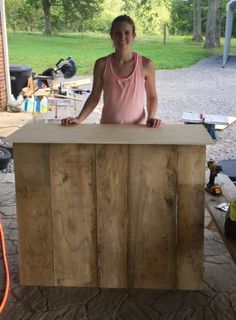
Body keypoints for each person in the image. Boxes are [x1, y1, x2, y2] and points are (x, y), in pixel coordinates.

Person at [61, 15, 161, 128]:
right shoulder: (102, 64)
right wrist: (79, 119)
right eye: (117, 33)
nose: (122, 37)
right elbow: (94, 97)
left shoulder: (146, 65)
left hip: (137, 129)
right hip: (107, 129)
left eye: (127, 33)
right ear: (112, 36)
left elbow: (152, 96)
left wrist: (151, 117)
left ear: (134, 35)